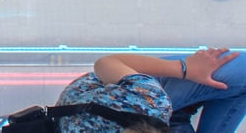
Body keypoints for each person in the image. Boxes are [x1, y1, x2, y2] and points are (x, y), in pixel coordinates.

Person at [48, 48, 242, 132]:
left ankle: (183, 99)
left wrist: (184, 68)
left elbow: (107, 62)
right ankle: (182, 112)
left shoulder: (149, 101)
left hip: (115, 92)